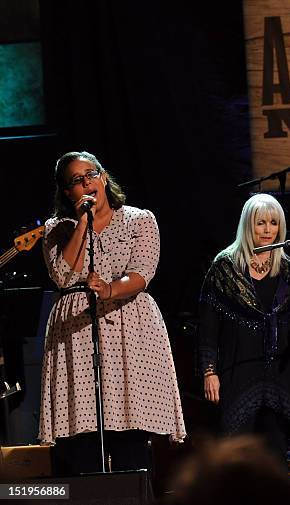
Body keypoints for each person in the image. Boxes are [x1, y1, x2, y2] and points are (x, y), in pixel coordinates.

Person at [40, 151, 186, 474]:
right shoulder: (57, 229)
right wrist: (82, 224)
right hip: (75, 337)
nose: (86, 183)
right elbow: (64, 274)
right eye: (76, 180)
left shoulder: (140, 220)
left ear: (104, 177)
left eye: (91, 174)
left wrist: (108, 289)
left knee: (130, 443)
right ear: (67, 193)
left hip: (129, 330)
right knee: (82, 445)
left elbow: (142, 271)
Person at [198, 193, 290, 460]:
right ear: (247, 225)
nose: (268, 230)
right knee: (236, 454)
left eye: (274, 223)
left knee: (276, 452)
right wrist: (210, 372)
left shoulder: (289, 269)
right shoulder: (225, 267)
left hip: (282, 374)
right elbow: (208, 327)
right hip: (238, 371)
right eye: (261, 223)